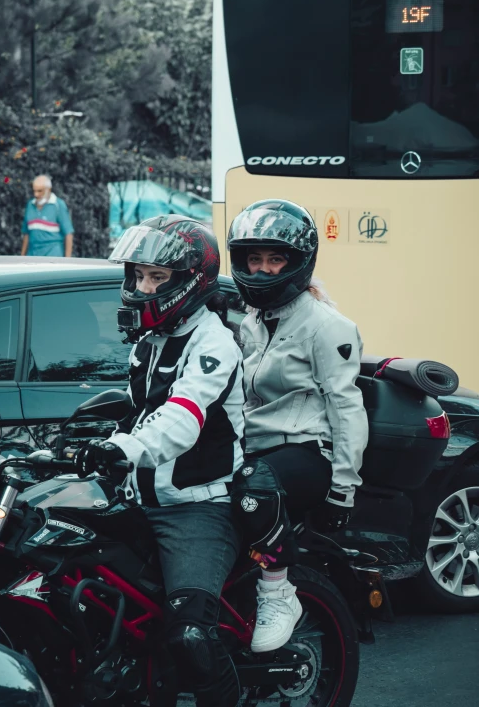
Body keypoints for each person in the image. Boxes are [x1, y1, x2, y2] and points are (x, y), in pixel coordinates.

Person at [87, 215, 245, 707]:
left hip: (198, 508)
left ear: (190, 282)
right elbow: (141, 411)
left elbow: (183, 417)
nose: (141, 287)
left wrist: (124, 449)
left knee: (190, 635)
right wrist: (90, 439)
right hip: (140, 498)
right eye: (137, 275)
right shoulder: (149, 342)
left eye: (156, 277)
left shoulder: (213, 342)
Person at [227, 199, 369, 654]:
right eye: (255, 259)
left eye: (275, 260)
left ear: (297, 262)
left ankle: (278, 593)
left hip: (307, 451)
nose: (263, 270)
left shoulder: (327, 326)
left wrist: (343, 488)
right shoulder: (253, 320)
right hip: (256, 447)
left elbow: (347, 409)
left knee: (255, 487)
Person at [21, 175, 74, 257]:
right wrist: (22, 257)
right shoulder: (30, 205)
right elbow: (26, 234)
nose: (36, 194)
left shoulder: (58, 205)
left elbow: (68, 234)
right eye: (34, 191)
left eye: (40, 191)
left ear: (48, 190)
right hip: (32, 256)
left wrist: (67, 261)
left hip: (52, 256)